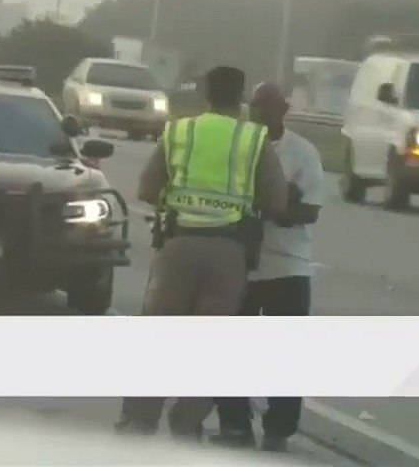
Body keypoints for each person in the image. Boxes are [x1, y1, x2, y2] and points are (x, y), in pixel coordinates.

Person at [116, 66, 289, 440]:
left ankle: (138, 423)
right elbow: (277, 201)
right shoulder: (253, 139)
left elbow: (146, 190)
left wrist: (178, 200)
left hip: (178, 246)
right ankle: (187, 420)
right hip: (228, 251)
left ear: (205, 94)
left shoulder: (181, 131)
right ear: (241, 98)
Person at [212, 82, 326, 452]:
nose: (261, 112)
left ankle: (279, 429)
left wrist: (272, 207)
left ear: (284, 110)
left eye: (269, 105)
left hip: (288, 265)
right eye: (257, 104)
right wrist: (275, 199)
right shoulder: (237, 145)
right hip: (240, 262)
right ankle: (234, 425)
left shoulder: (302, 152)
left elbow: (310, 210)